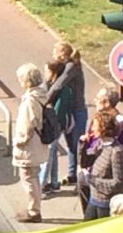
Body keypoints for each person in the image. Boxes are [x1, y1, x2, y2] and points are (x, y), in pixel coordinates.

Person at [42, 40, 87, 189]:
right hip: (70, 111)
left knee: (77, 145)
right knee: (70, 144)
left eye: (55, 52)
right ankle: (72, 175)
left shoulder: (72, 67)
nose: (53, 55)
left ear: (62, 54)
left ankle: (79, 177)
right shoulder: (67, 66)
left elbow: (58, 84)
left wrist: (44, 100)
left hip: (77, 111)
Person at [12, 62, 48, 223]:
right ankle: (34, 208)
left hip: (29, 146)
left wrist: (19, 141)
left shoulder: (30, 100)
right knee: (33, 176)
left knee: (28, 177)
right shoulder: (41, 95)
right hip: (38, 144)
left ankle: (34, 211)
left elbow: (27, 125)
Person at [83, 107, 123, 220]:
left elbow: (118, 183)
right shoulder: (99, 144)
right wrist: (82, 144)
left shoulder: (116, 151)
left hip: (106, 204)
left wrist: (92, 180)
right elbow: (84, 162)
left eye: (95, 125)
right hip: (94, 199)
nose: (92, 129)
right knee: (84, 230)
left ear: (103, 127)